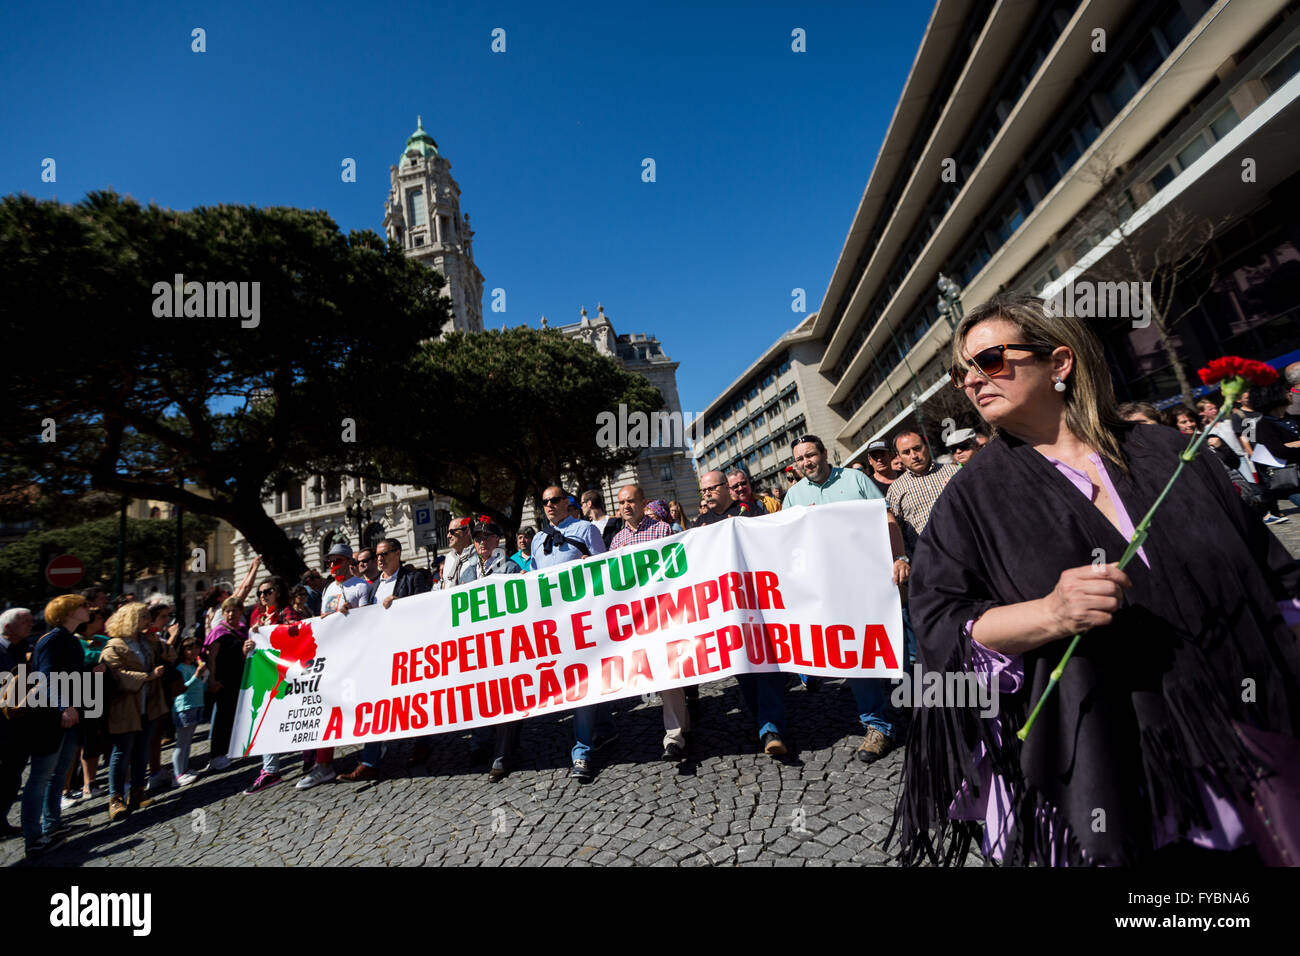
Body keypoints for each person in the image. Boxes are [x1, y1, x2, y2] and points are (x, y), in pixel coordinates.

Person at [892, 292, 1300, 867]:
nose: (971, 382)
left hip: (1241, 734)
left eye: (988, 361)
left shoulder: (1170, 451)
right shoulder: (971, 500)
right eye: (961, 374)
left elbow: (1271, 574)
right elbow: (940, 622)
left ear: (1059, 363)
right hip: (1106, 753)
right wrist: (1050, 614)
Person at [783, 435, 911, 762]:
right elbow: (785, 542)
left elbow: (887, 520)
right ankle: (878, 725)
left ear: (824, 453)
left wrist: (901, 558)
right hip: (832, 591)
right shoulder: (794, 496)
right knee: (857, 654)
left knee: (900, 647)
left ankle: (924, 710)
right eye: (799, 459)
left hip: (873, 580)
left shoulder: (855, 479)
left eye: (810, 455)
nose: (805, 463)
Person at [531, 485, 612, 783]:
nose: (550, 505)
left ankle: (582, 750)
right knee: (577, 679)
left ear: (567, 502)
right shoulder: (538, 540)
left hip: (583, 618)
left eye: (555, 500)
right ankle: (605, 728)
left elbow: (604, 568)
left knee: (581, 680)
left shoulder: (585, 529)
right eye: (545, 501)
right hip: (554, 624)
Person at [436, 518, 525, 783]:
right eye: (477, 538)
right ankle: (485, 744)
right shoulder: (466, 573)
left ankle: (502, 755)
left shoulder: (510, 568)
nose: (481, 542)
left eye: (486, 538)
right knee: (483, 699)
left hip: (505, 645)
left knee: (508, 702)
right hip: (477, 648)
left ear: (497, 540)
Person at [610, 484, 688, 761]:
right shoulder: (617, 541)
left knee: (668, 673)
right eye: (622, 503)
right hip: (634, 618)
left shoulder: (663, 531)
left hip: (662, 613)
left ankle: (674, 737)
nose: (626, 506)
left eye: (631, 501)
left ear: (643, 502)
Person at [296, 543, 374, 790]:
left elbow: (366, 619)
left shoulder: (362, 586)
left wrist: (347, 615)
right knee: (325, 709)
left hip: (354, 657)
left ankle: (372, 757)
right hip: (331, 657)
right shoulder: (329, 587)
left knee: (365, 706)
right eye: (330, 561)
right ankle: (323, 764)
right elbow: (322, 621)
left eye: (337, 561)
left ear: (349, 561)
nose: (332, 565)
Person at [26, 595, 95, 856]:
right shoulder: (54, 640)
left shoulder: (68, 639)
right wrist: (64, 707)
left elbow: (67, 675)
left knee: (59, 772)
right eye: (82, 606)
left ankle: (52, 824)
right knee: (41, 776)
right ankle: (33, 837)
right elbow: (47, 677)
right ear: (68, 612)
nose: (87, 609)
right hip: (52, 718)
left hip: (69, 715)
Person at [100, 603, 175, 822]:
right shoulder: (114, 646)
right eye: (143, 617)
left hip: (147, 705)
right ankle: (115, 797)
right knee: (122, 751)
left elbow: (171, 655)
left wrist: (160, 639)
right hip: (125, 707)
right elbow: (115, 675)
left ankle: (137, 791)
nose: (148, 620)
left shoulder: (146, 641)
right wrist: (148, 677)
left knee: (142, 749)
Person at [366, 537, 435, 769]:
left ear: (397, 553)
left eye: (384, 554)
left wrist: (401, 603)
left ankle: (422, 745)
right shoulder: (374, 585)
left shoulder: (411, 578)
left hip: (407, 649)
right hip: (381, 652)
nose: (379, 559)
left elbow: (425, 607)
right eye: (377, 555)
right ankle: (370, 758)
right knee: (376, 702)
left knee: (416, 698)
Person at [0, 608, 34, 842]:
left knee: (13, 776)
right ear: (8, 628)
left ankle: (0, 820)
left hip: (18, 725)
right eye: (25, 622)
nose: (30, 625)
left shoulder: (25, 648)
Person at [203, 596, 247, 772]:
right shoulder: (219, 631)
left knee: (234, 717)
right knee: (222, 718)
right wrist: (212, 680)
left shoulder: (244, 629)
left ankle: (230, 750)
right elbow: (211, 658)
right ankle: (216, 755)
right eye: (227, 611)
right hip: (223, 681)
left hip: (239, 679)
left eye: (234, 611)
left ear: (240, 612)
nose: (230, 614)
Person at [1248, 380, 1300, 520]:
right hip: (1292, 482)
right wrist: (1292, 446)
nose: (1290, 393)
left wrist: (1293, 445)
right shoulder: (1263, 426)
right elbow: (1281, 452)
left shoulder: (1294, 419)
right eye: (1285, 391)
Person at [170, 638, 208, 786]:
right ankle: (177, 773)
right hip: (184, 706)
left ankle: (184, 769)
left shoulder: (194, 666)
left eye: (196, 648)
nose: (194, 651)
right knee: (181, 741)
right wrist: (197, 675)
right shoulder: (181, 668)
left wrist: (203, 676)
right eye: (189, 649)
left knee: (187, 741)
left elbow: (200, 685)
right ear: (183, 651)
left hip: (196, 704)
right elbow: (183, 687)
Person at [439, 517, 476, 589]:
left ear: (466, 532)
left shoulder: (479, 556)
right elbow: (445, 584)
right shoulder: (449, 558)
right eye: (448, 532)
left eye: (452, 532)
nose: (448, 536)